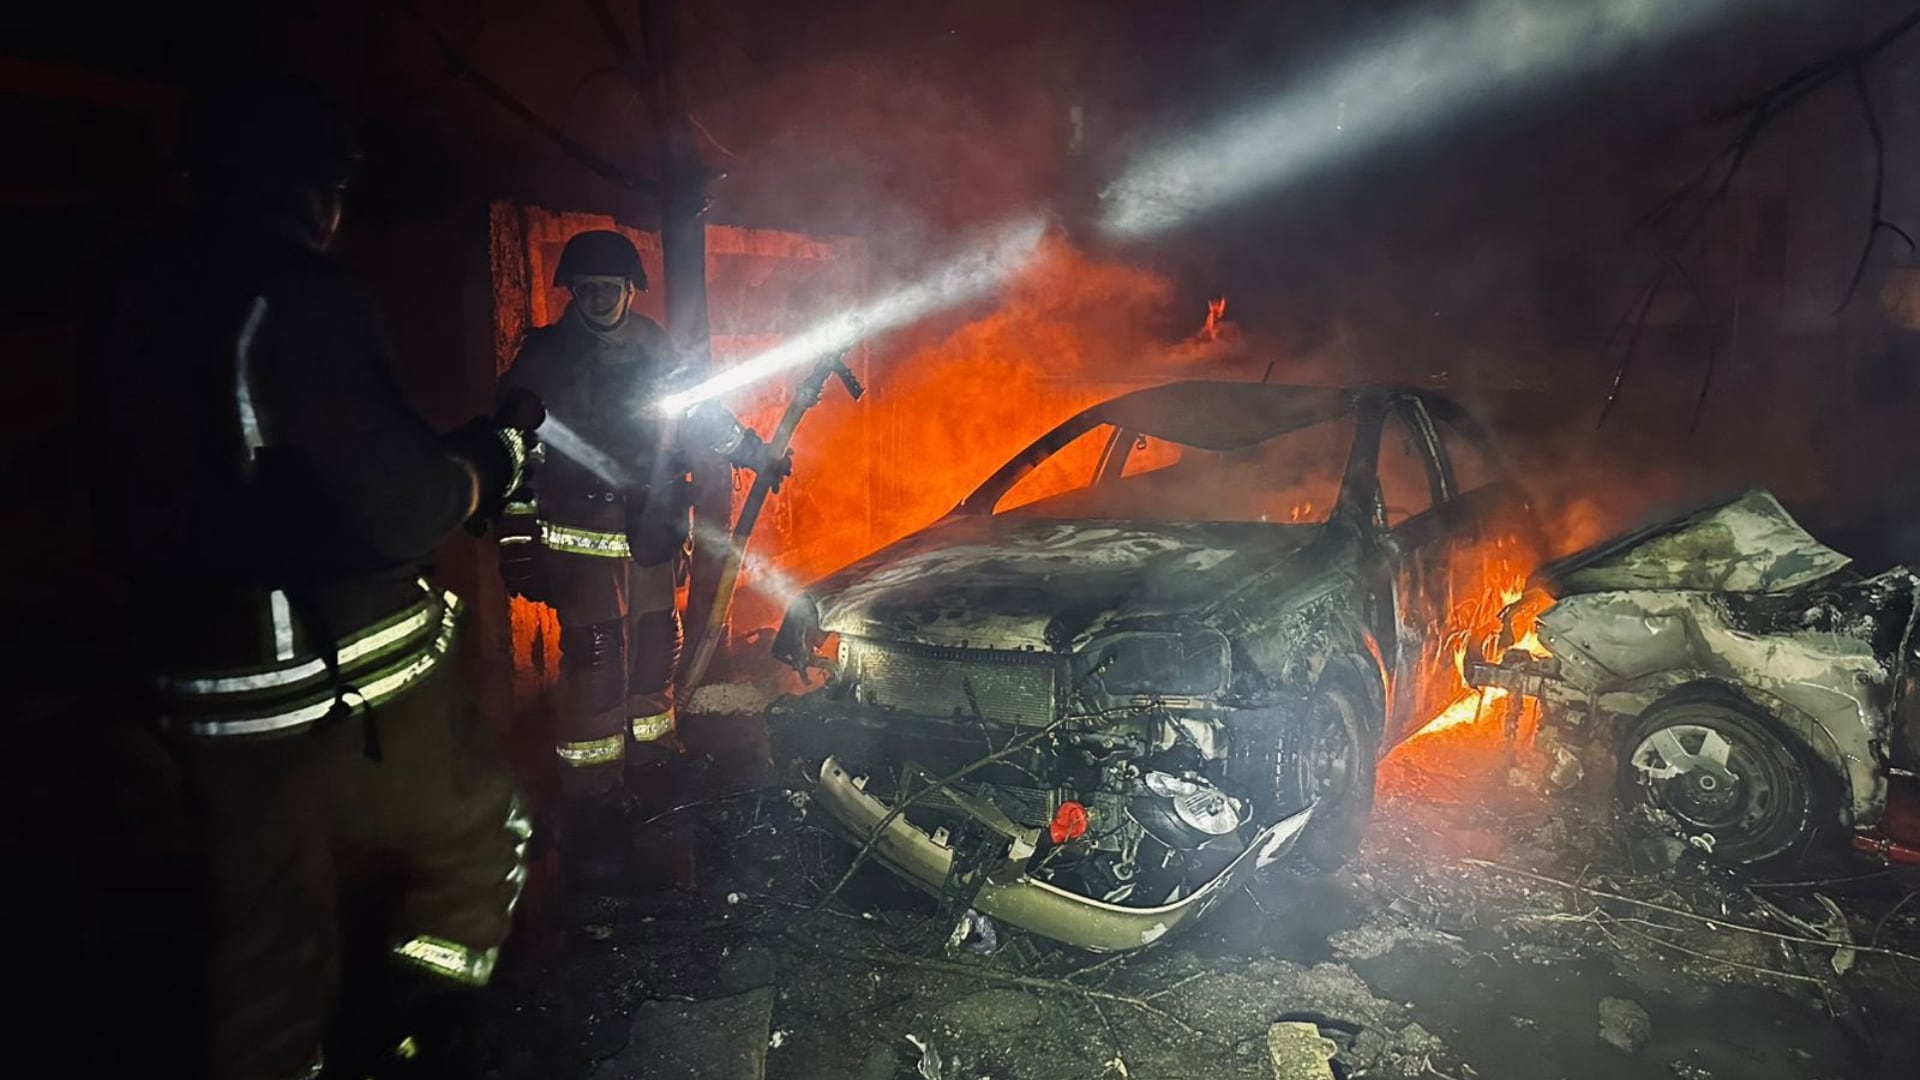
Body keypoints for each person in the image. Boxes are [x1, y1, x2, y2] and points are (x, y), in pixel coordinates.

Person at [83, 76, 538, 1079]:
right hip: (338, 683)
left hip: (205, 694)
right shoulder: (296, 296)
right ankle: (429, 1034)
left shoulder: (133, 292)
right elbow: (395, 504)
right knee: (478, 836)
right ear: (316, 189)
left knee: (267, 944)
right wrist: (479, 467)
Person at [497, 229, 783, 815]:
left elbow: (702, 411)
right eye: (587, 288)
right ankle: (594, 783)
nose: (599, 297)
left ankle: (652, 760)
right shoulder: (545, 357)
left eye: (610, 287)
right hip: (579, 532)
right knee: (598, 656)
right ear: (572, 291)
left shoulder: (656, 347)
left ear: (631, 289)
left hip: (651, 528)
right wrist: (516, 539)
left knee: (658, 643)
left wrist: (750, 449)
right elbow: (512, 446)